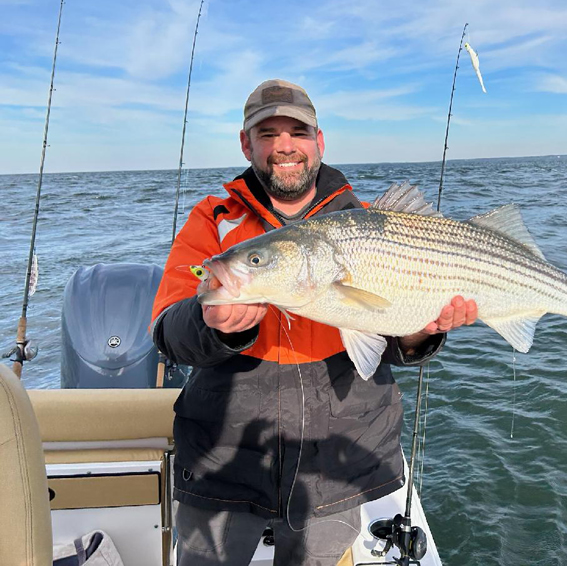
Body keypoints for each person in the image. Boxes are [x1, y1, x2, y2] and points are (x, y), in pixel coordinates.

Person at [151, 79, 478, 566]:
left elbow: (385, 340)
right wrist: (215, 326)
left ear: (319, 141)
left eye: (297, 132)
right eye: (268, 132)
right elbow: (165, 333)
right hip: (225, 460)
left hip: (334, 465)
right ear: (247, 143)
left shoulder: (368, 223)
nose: (285, 146)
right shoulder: (213, 221)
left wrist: (419, 333)